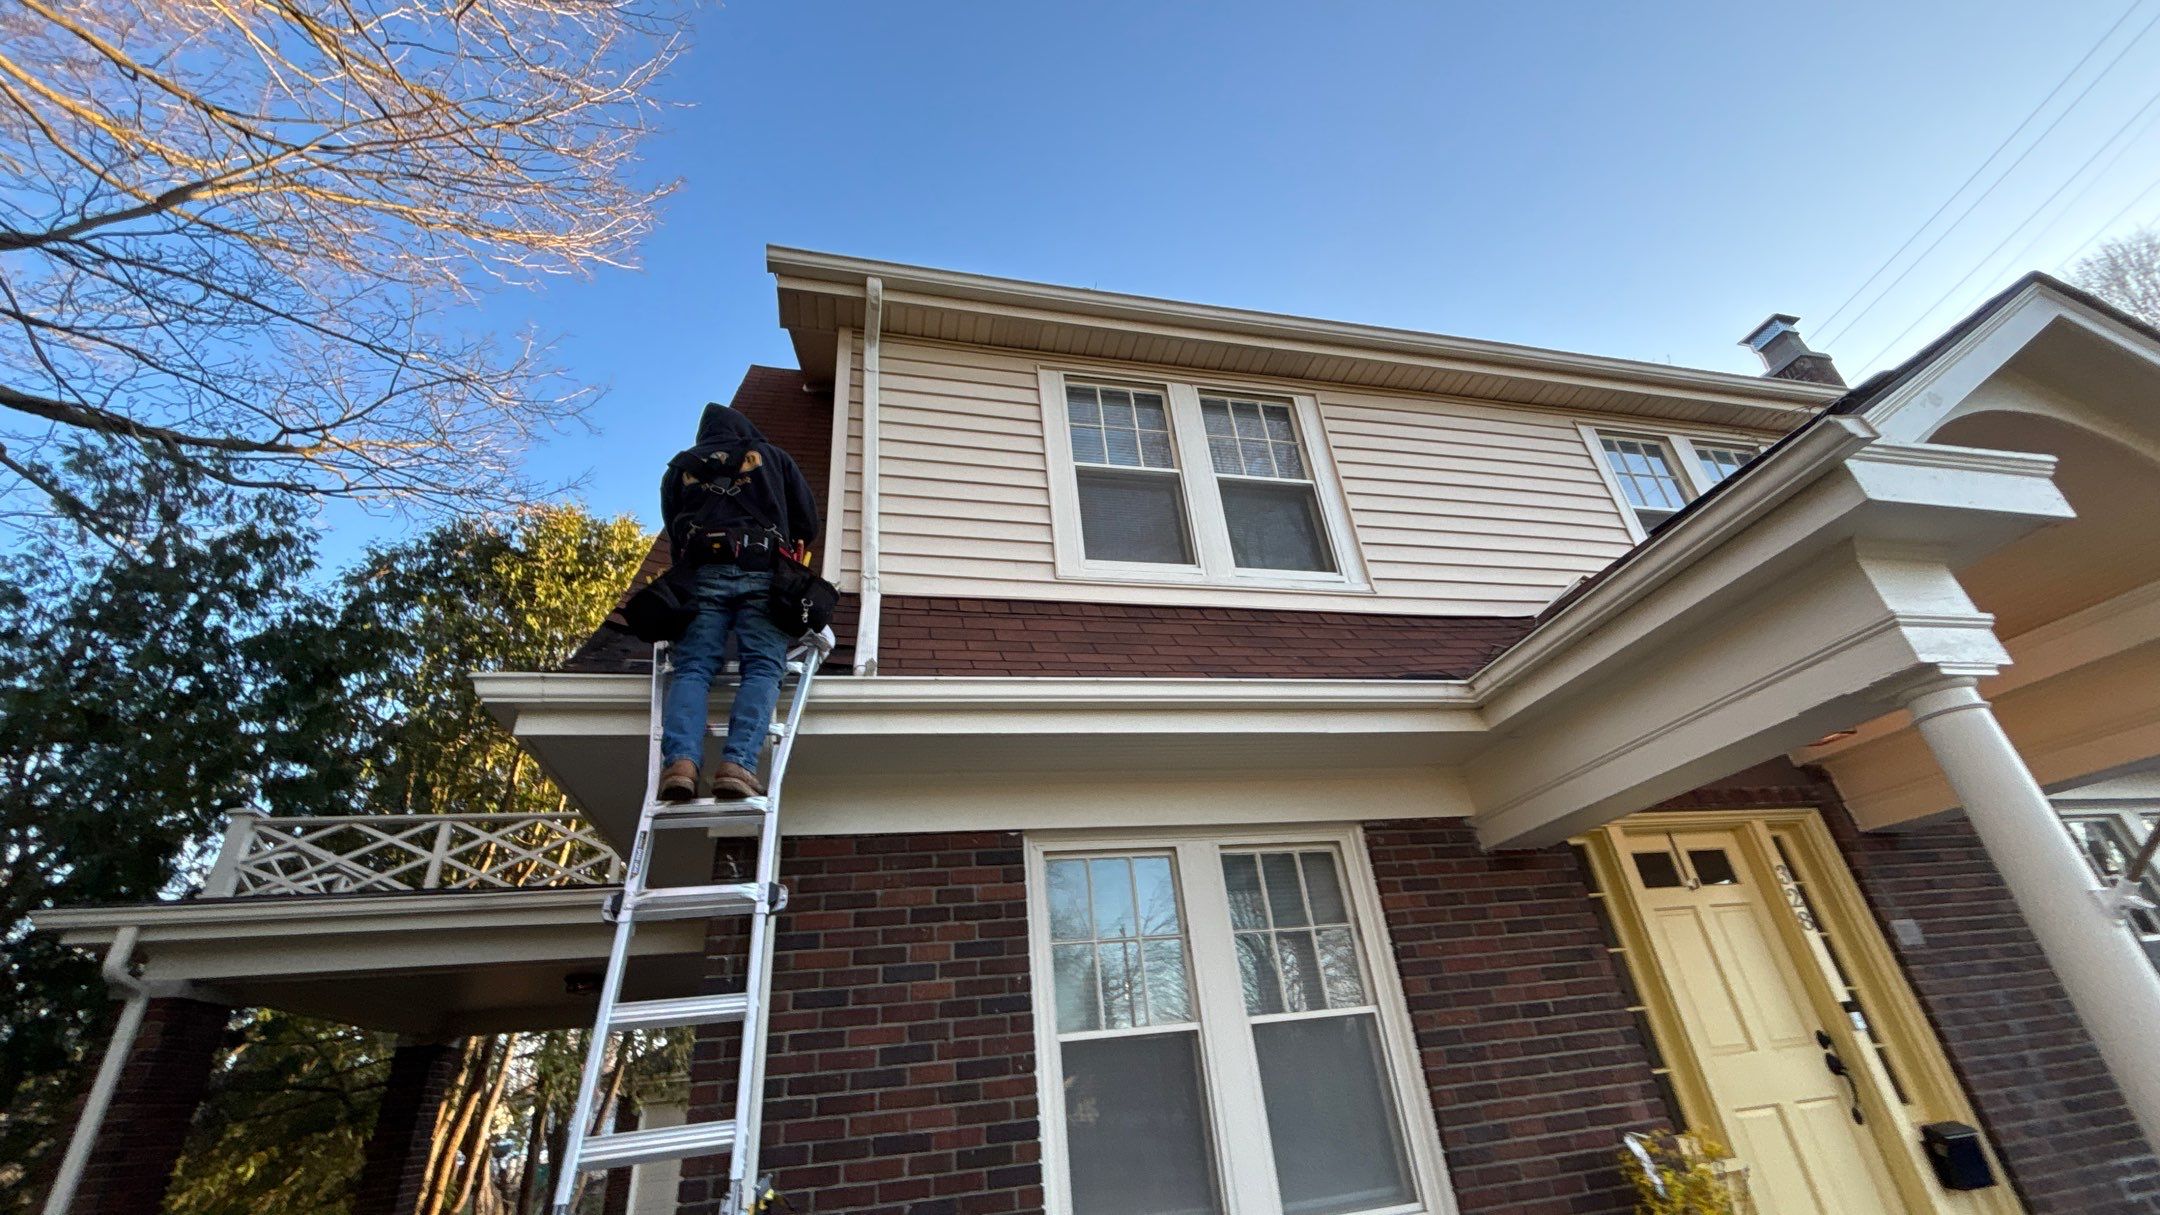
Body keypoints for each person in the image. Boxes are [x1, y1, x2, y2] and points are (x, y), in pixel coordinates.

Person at [656, 401, 821, 803]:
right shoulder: (771, 457)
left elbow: (674, 530)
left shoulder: (680, 467)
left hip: (701, 573)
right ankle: (738, 764)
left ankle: (680, 765)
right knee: (763, 665)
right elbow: (807, 524)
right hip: (763, 569)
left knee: (693, 668)